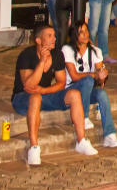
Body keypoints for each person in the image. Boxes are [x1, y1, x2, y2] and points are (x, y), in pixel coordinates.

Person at [12, 25, 97, 163]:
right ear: (38, 40)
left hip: (44, 95)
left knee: (74, 94)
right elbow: (29, 86)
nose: (54, 39)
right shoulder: (26, 55)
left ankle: (81, 141)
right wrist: (41, 62)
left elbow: (61, 83)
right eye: (49, 36)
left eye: (54, 35)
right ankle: (34, 148)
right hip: (22, 98)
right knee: (35, 97)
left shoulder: (57, 54)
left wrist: (44, 90)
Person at [61, 22, 117, 148]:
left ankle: (109, 134)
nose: (85, 35)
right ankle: (83, 117)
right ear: (74, 35)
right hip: (71, 91)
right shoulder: (67, 50)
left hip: (87, 91)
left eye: (86, 31)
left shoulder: (95, 51)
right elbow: (74, 76)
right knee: (88, 80)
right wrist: (94, 75)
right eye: (81, 32)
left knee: (102, 93)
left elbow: (99, 80)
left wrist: (102, 77)